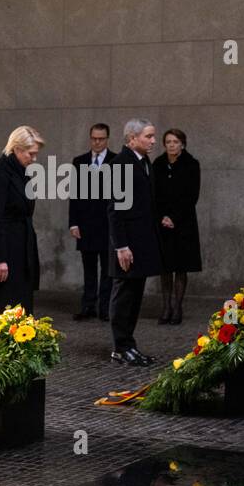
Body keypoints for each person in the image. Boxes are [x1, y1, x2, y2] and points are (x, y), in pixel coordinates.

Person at [109, 119, 162, 365]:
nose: (153, 141)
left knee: (134, 295)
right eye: (148, 136)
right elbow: (115, 210)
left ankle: (129, 344)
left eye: (153, 136)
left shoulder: (143, 162)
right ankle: (121, 347)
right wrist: (121, 246)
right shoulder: (121, 164)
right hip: (127, 244)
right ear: (132, 139)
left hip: (140, 242)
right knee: (124, 296)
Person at [0, 126, 43, 320]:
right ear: (17, 149)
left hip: (20, 247)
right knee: (2, 304)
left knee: (20, 302)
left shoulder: (20, 173)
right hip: (5, 249)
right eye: (31, 154)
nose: (34, 159)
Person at [152, 128, 201, 325]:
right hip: (162, 223)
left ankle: (177, 306)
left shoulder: (191, 165)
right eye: (168, 142)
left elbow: (192, 196)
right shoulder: (158, 164)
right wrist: (162, 216)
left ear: (182, 144)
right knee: (165, 268)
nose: (172, 145)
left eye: (175, 141)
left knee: (181, 267)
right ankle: (166, 307)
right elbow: (153, 193)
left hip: (183, 224)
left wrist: (174, 217)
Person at [69, 123, 118, 321]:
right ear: (90, 139)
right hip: (86, 224)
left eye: (101, 139)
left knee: (107, 270)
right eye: (94, 138)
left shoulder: (116, 161)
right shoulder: (79, 162)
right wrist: (74, 223)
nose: (97, 142)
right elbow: (74, 194)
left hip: (107, 224)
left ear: (107, 139)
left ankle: (105, 308)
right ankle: (88, 306)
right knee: (89, 268)